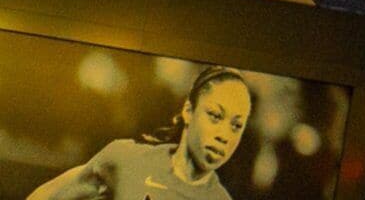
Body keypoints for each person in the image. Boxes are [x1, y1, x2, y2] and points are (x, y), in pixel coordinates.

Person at [26, 68, 254, 200]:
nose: (224, 134)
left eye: (237, 125)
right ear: (188, 110)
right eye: (215, 115)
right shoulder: (126, 158)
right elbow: (44, 196)